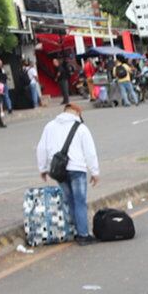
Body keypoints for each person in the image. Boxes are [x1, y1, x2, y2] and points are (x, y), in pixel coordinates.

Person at [34, 101, 100, 246]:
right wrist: (95, 172)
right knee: (80, 202)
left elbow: (41, 148)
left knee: (70, 201)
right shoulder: (81, 128)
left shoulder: (49, 126)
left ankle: (76, 231)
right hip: (77, 169)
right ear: (77, 113)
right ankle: (83, 235)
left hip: (59, 170)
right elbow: (90, 152)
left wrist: (43, 168)